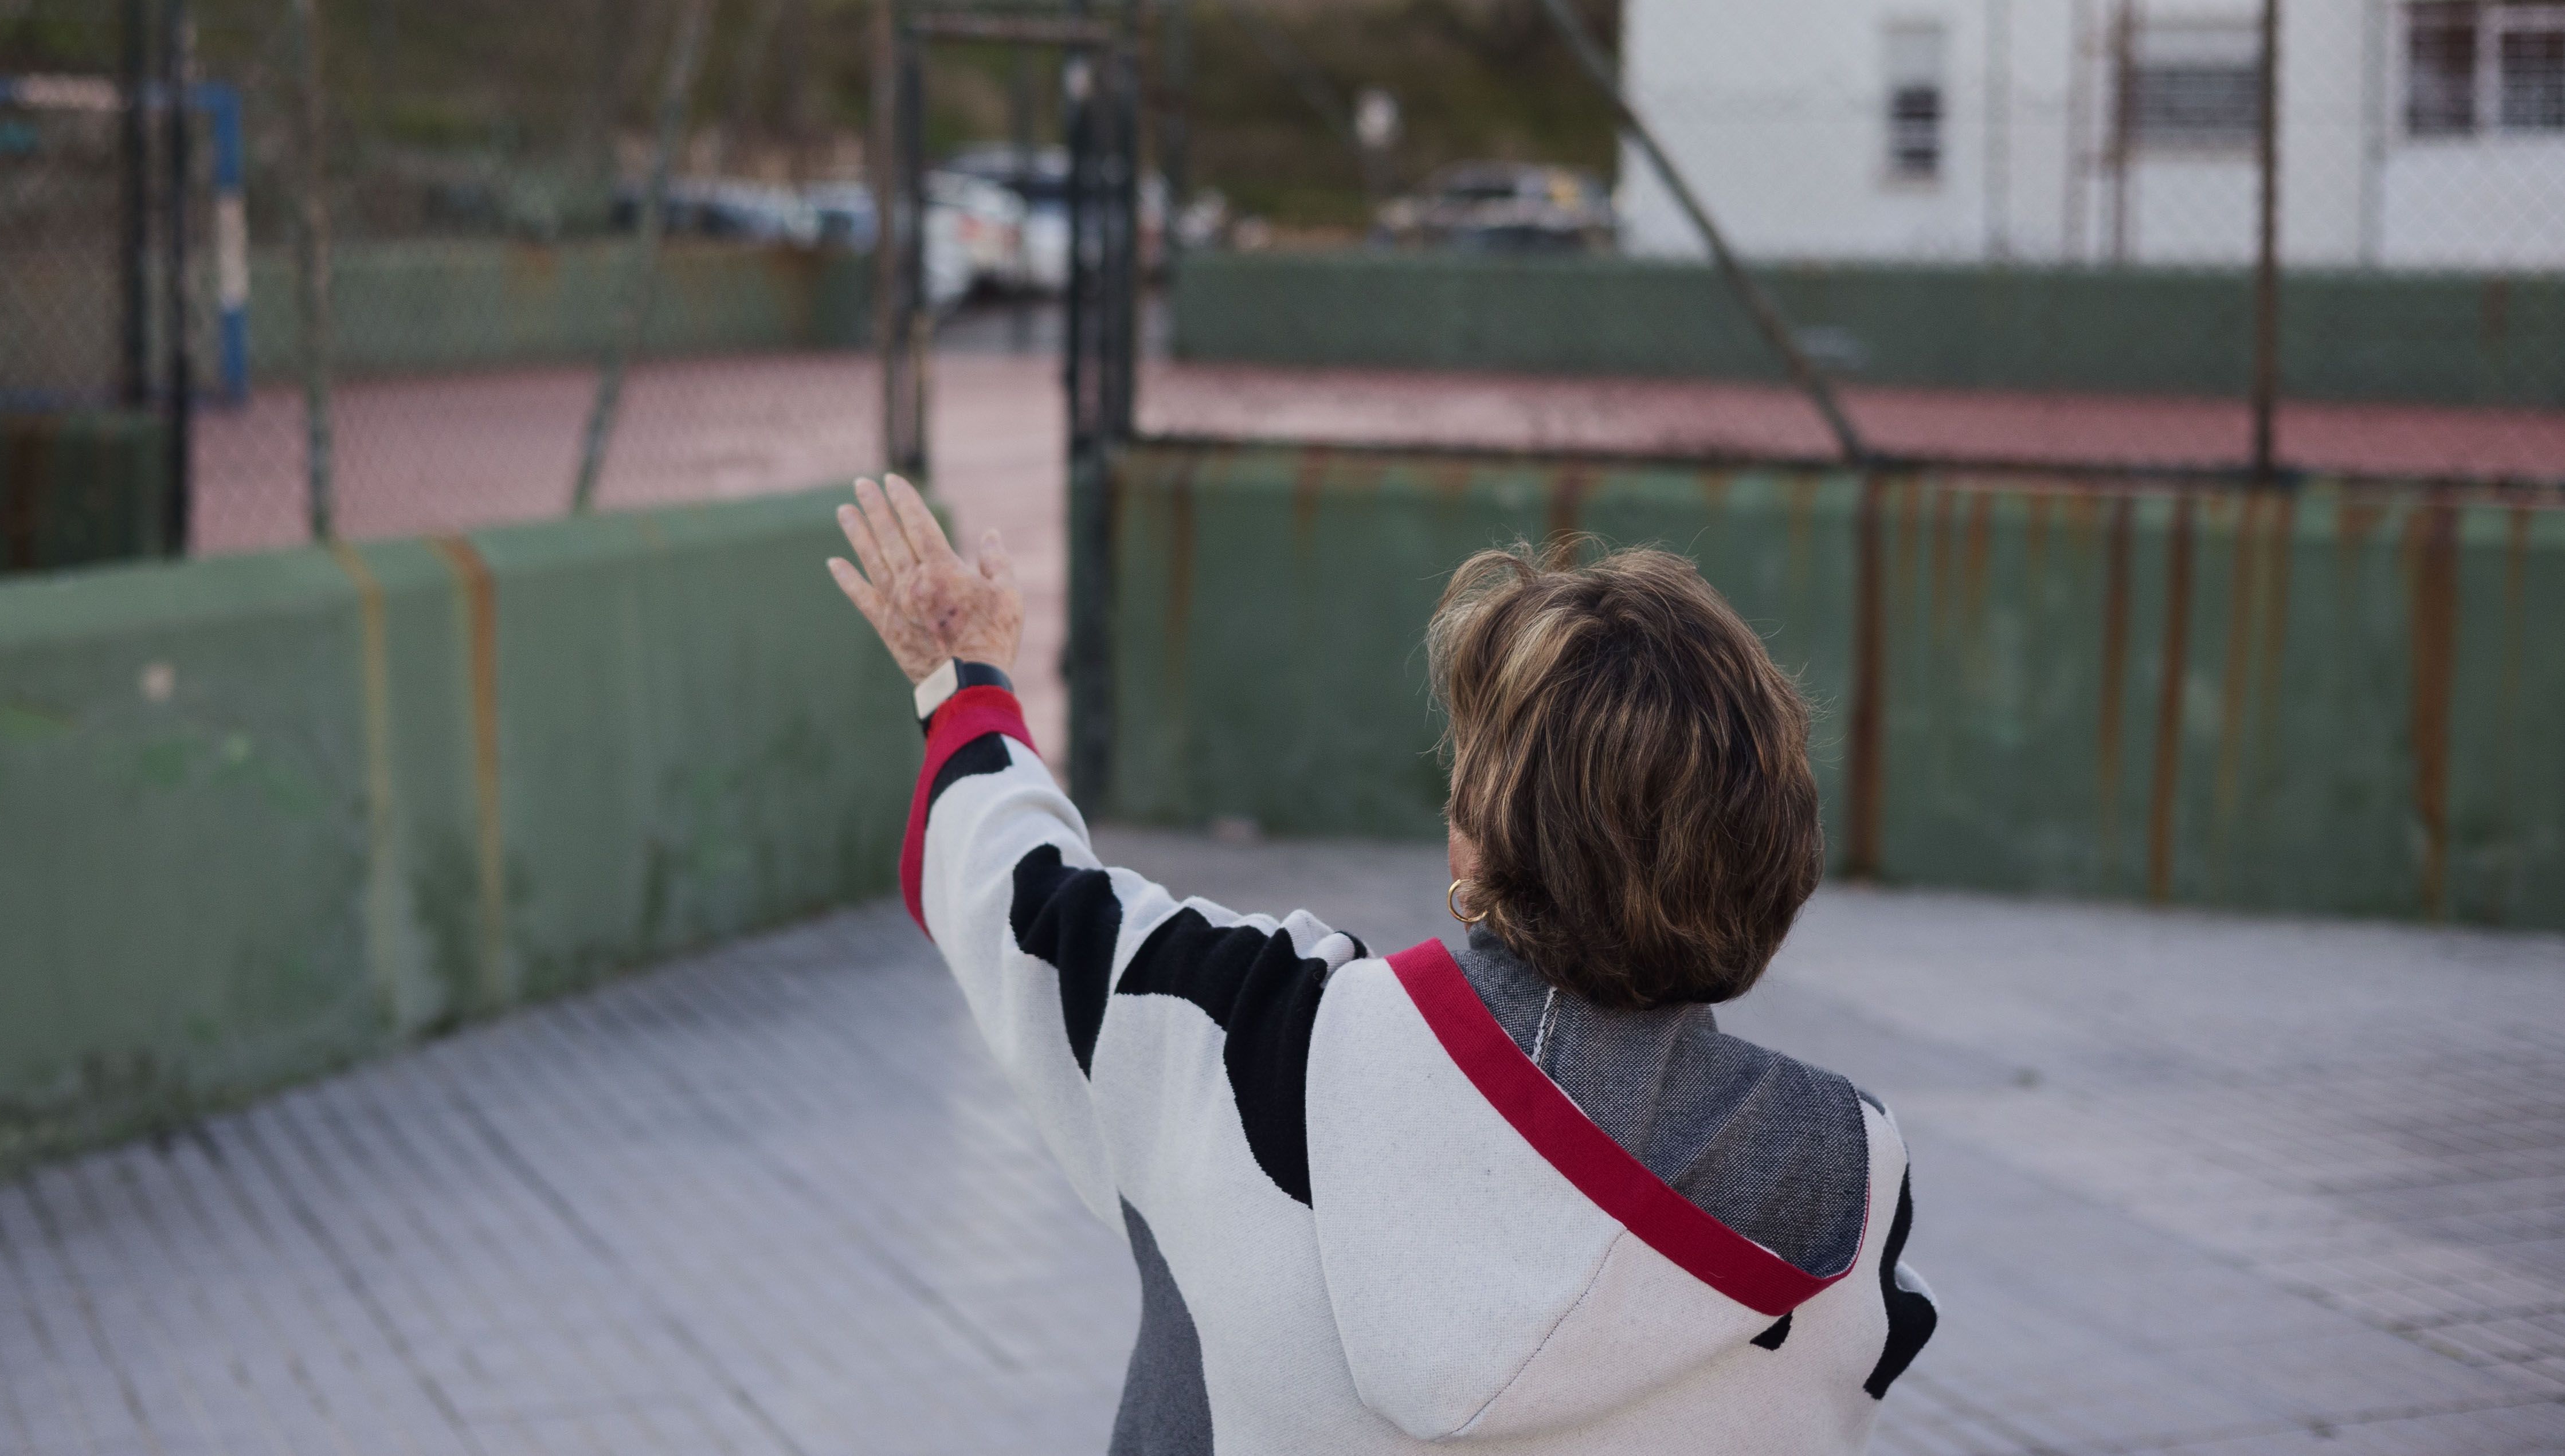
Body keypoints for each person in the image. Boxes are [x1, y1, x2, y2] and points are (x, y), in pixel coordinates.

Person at [829, 474, 1936, 1454]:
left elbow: (1025, 901)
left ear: (1477, 834)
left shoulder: (1249, 1032)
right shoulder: (1845, 1186)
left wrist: (964, 680)